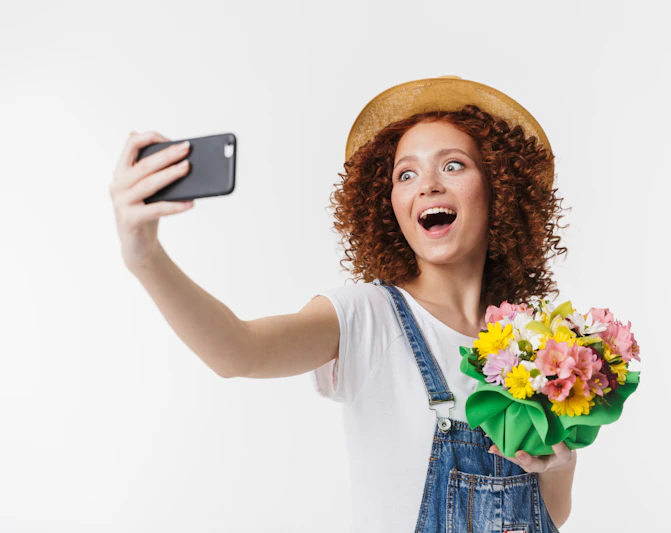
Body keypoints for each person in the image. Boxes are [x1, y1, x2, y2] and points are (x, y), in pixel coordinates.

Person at [109, 75, 576, 533]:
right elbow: (240, 350)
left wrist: (557, 467)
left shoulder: (536, 345)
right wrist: (146, 258)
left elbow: (548, 516)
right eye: (406, 173)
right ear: (388, 202)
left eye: (452, 165)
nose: (427, 185)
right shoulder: (367, 314)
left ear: (500, 188)